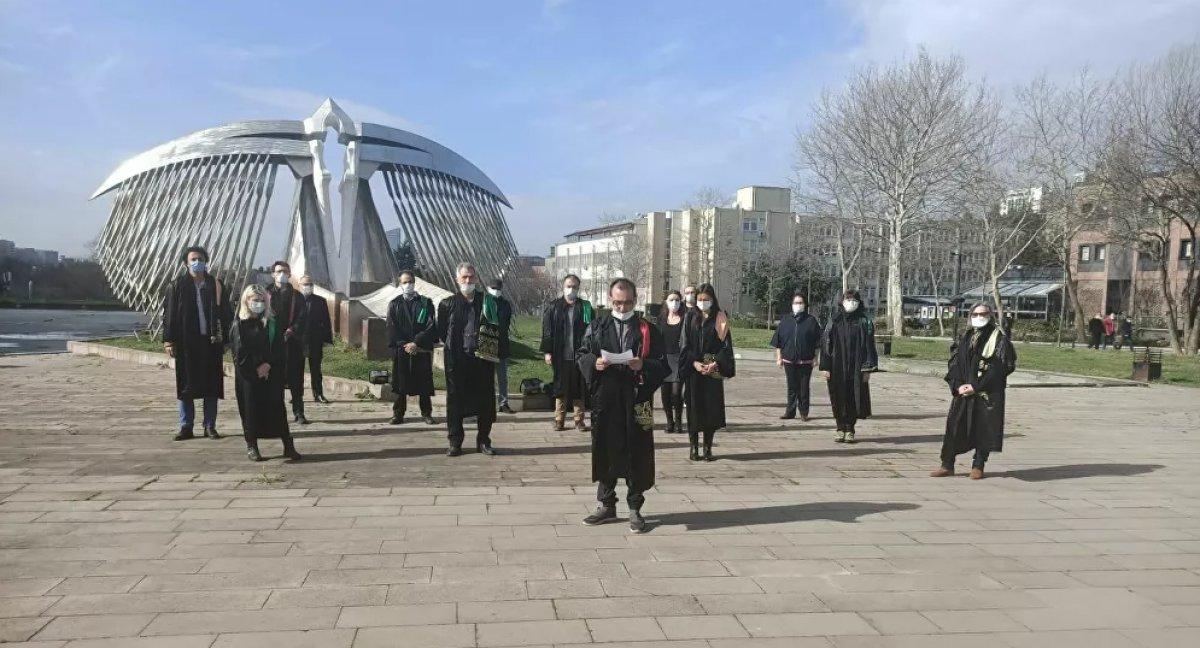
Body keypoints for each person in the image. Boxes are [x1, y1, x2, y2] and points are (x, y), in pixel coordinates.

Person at [576, 278, 669, 534]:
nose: (622, 307)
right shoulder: (597, 326)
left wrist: (644, 365)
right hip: (605, 399)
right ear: (609, 299)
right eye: (617, 302)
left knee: (637, 451)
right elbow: (582, 354)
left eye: (627, 302)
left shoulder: (647, 330)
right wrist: (593, 363)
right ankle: (606, 503)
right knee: (605, 446)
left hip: (636, 398)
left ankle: (635, 507)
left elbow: (662, 365)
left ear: (635, 300)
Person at [931, 303, 1016, 480]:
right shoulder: (966, 336)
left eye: (983, 313)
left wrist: (977, 386)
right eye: (975, 314)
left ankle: (978, 465)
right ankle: (947, 464)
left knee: (982, 429)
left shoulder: (997, 337)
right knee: (954, 427)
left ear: (990, 315)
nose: (979, 317)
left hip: (985, 393)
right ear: (970, 316)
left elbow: (1001, 366)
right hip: (963, 392)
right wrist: (957, 385)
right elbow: (955, 362)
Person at [163, 246, 232, 441]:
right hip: (187, 342)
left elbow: (226, 313)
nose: (197, 262)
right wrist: (169, 340)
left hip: (211, 342)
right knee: (186, 384)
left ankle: (210, 425)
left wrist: (226, 339)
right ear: (186, 263)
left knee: (211, 385)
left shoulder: (215, 285)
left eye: (200, 258)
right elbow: (169, 315)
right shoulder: (176, 286)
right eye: (193, 259)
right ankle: (186, 425)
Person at [229, 284, 301, 462]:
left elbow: (278, 347)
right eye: (255, 300)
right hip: (249, 376)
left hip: (272, 373)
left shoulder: (271, 322)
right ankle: (252, 445)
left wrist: (268, 365)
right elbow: (239, 353)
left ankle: (288, 445)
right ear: (247, 301)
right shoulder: (240, 324)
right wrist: (256, 368)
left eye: (262, 300)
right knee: (251, 409)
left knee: (277, 408)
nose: (259, 304)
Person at [438, 263, 499, 456]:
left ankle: (483, 440)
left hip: (482, 359)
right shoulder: (447, 304)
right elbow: (442, 331)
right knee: (455, 402)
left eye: (471, 277)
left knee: (485, 403)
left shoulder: (487, 302)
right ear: (457, 280)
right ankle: (455, 441)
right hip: (458, 360)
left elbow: (499, 325)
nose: (468, 281)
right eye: (464, 277)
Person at [678, 283, 735, 461]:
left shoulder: (720, 317)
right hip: (694, 369)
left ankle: (708, 447)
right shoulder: (690, 317)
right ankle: (693, 447)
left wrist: (715, 363)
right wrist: (694, 363)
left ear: (713, 300)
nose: (703, 302)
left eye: (706, 299)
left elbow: (726, 345)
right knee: (694, 408)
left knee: (710, 409)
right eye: (700, 299)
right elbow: (684, 344)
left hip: (712, 369)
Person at [819, 289, 877, 443]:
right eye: (847, 299)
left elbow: (870, 346)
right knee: (837, 397)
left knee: (854, 397)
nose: (850, 302)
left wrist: (868, 368)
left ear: (858, 302)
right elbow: (826, 343)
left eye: (853, 300)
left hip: (856, 367)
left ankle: (850, 429)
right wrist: (825, 366)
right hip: (836, 365)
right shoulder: (835, 320)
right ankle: (839, 428)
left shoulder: (864, 322)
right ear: (842, 301)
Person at [541, 274, 593, 431]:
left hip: (580, 354)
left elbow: (592, 329)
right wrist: (547, 351)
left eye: (575, 286)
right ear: (563, 287)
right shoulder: (554, 306)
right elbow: (547, 330)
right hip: (560, 354)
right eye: (569, 286)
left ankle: (579, 419)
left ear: (578, 288)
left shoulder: (585, 307)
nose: (571, 289)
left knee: (579, 386)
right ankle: (559, 419)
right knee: (560, 386)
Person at [385, 271, 437, 425]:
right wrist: (404, 344)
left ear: (415, 282)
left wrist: (416, 342)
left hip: (420, 349)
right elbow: (391, 327)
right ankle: (398, 414)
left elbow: (431, 325)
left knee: (424, 384)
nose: (408, 284)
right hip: (402, 349)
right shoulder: (394, 304)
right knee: (401, 383)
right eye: (405, 282)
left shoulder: (425, 303)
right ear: (400, 284)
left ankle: (426, 413)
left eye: (411, 281)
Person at [266, 261, 309, 424]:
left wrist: (292, 330)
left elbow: (302, 316)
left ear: (290, 274)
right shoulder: (266, 293)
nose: (282, 274)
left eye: (285, 271)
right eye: (278, 271)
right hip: (272, 344)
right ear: (273, 274)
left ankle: (299, 413)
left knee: (296, 380)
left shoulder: (297, 296)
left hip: (293, 343)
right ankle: (275, 415)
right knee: (274, 381)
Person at [771, 291, 822, 421]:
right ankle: (790, 411)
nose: (797, 305)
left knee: (804, 388)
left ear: (805, 305)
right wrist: (779, 357)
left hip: (806, 361)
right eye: (795, 303)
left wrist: (816, 357)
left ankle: (804, 412)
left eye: (800, 302)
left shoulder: (811, 321)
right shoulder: (785, 320)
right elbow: (778, 341)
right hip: (788, 359)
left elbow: (817, 342)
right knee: (791, 387)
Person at [298, 276, 333, 403]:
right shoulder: (295, 300)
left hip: (315, 340)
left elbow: (326, 321)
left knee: (316, 369)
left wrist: (327, 339)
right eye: (305, 284)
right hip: (298, 340)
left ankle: (318, 394)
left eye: (310, 284)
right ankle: (298, 395)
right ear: (300, 285)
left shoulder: (320, 301)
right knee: (298, 369)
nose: (308, 286)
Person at [657, 290, 685, 433]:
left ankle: (679, 420)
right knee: (665, 394)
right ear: (666, 302)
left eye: (677, 300)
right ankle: (670, 421)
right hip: (664, 360)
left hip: (679, 359)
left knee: (676, 393)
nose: (675, 303)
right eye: (671, 300)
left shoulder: (685, 319)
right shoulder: (661, 319)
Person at [487, 278, 516, 414]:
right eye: (493, 288)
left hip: (502, 343)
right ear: (488, 288)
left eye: (498, 289)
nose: (496, 291)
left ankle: (503, 403)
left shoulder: (505, 304)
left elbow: (507, 322)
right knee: (487, 377)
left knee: (502, 377)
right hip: (487, 342)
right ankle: (487, 403)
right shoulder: (484, 302)